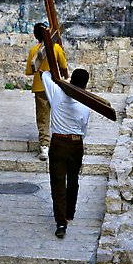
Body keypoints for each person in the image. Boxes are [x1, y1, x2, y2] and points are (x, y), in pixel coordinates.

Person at [41, 68, 90, 239]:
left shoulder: (56, 93)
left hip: (58, 142)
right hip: (76, 143)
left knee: (58, 182)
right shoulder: (86, 105)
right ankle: (70, 212)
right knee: (73, 178)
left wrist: (59, 75)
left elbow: (45, 75)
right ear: (85, 85)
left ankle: (61, 222)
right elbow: (84, 129)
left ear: (71, 81)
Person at [25, 22, 68, 160]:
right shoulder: (56, 48)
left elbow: (29, 71)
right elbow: (63, 65)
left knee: (43, 117)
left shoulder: (34, 50)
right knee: (58, 114)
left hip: (40, 87)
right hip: (55, 86)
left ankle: (44, 145)